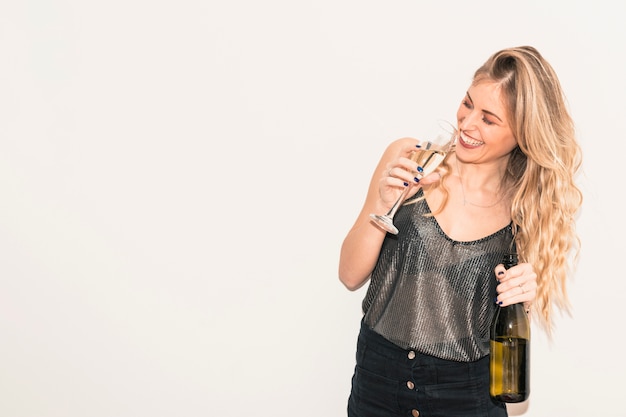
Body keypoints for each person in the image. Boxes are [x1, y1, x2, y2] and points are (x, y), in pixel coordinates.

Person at [338, 46, 582, 417]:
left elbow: (514, 398)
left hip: (465, 397)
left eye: (489, 119)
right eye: (467, 104)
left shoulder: (527, 212)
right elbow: (350, 275)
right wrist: (382, 205)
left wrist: (524, 303)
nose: (467, 124)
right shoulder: (409, 159)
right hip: (378, 385)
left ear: (522, 134)